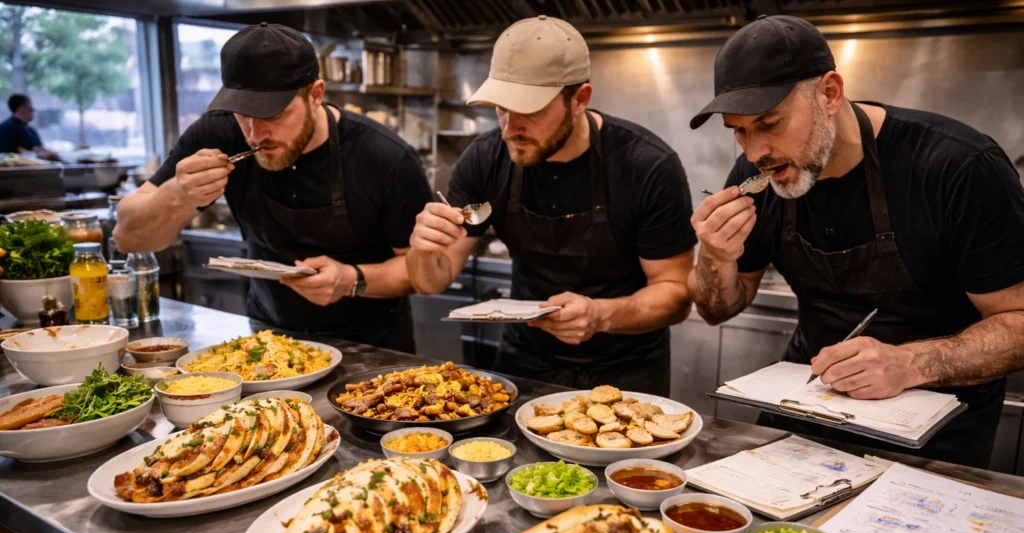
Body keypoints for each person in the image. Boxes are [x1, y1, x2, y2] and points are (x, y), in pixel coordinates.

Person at [687, 15, 1024, 466]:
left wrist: (910, 364)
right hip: (805, 416)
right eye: (739, 131)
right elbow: (717, 308)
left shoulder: (957, 168)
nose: (753, 153)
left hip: (933, 440)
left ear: (829, 93)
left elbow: (1019, 322)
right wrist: (714, 257)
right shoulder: (761, 174)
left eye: (770, 123)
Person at [406, 16, 696, 395]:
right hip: (524, 363)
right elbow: (432, 280)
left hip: (627, 372)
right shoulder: (485, 159)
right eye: (501, 108)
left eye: (530, 110)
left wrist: (600, 315)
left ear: (580, 99)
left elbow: (675, 294)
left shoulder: (647, 165)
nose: (510, 128)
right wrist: (422, 249)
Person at [114, 23, 431, 351]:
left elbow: (423, 272)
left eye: (274, 114)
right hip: (269, 345)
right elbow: (127, 237)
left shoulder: (383, 157)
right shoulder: (218, 134)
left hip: (373, 352)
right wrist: (177, 195)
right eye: (243, 114)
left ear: (316, 95)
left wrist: (353, 280)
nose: (255, 132)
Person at [0, 95, 61, 161]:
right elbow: (35, 152)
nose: (33, 110)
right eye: (30, 108)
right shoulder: (10, 129)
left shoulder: (28, 129)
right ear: (21, 109)